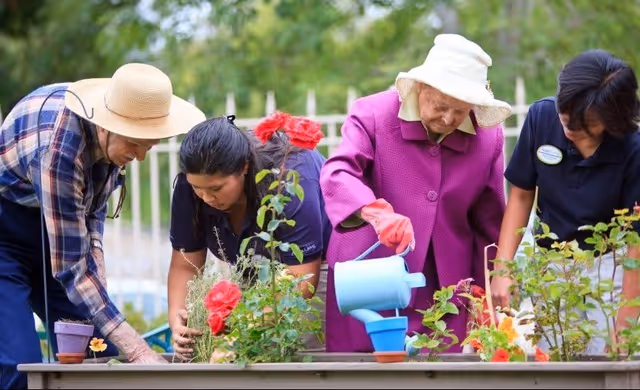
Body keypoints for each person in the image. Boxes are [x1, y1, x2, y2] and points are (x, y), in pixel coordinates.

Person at [0, 63, 205, 388]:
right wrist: (138, 351)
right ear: (106, 126)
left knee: (99, 352)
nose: (139, 157)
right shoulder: (59, 154)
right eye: (135, 145)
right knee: (19, 365)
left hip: (55, 227)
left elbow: (91, 224)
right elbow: (73, 268)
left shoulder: (110, 143)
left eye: (148, 146)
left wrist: (101, 291)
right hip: (6, 230)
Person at [318, 33, 513, 353]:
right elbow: (338, 172)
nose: (449, 119)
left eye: (460, 111)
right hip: (371, 280)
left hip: (447, 287)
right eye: (440, 106)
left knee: (442, 373)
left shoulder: (486, 138)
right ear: (420, 87)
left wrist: (491, 287)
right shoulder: (373, 114)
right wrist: (376, 214)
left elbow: (489, 221)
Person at [490, 49, 640, 354]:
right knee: (558, 357)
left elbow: (635, 241)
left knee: (610, 358)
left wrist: (626, 321)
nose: (569, 130)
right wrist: (502, 270)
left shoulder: (633, 148)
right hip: (552, 263)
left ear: (612, 121)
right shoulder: (542, 117)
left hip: (610, 265)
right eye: (566, 119)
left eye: (585, 126)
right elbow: (520, 195)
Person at [167, 115, 331, 359]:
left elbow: (302, 278)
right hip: (255, 272)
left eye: (216, 188)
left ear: (244, 167)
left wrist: (240, 332)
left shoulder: (291, 175)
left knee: (298, 359)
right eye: (197, 188)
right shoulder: (190, 190)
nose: (206, 199)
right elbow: (186, 265)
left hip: (315, 269)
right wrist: (177, 320)